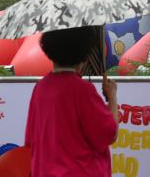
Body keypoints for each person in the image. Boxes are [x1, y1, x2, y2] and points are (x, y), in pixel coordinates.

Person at [25, 27, 118, 177]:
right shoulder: (82, 90)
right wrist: (112, 97)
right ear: (83, 51)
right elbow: (108, 134)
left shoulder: (40, 88)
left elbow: (30, 140)